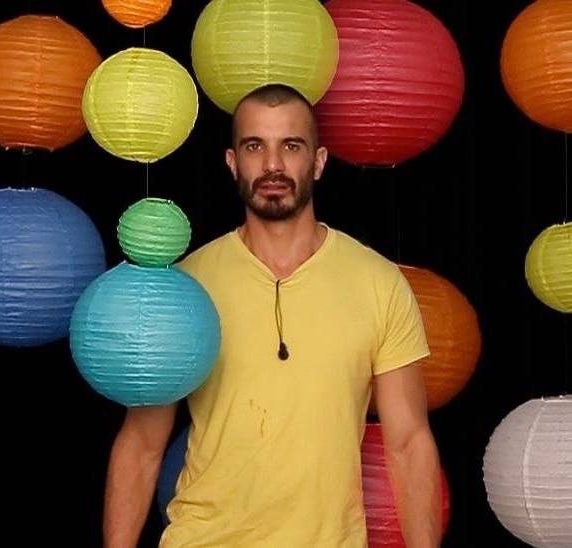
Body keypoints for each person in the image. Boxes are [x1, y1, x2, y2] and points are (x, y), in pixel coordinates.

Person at [102, 83, 443, 547]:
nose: (273, 165)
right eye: (255, 146)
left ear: (318, 161)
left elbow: (408, 444)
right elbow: (142, 444)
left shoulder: (379, 282)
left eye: (291, 146)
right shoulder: (184, 289)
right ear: (232, 162)